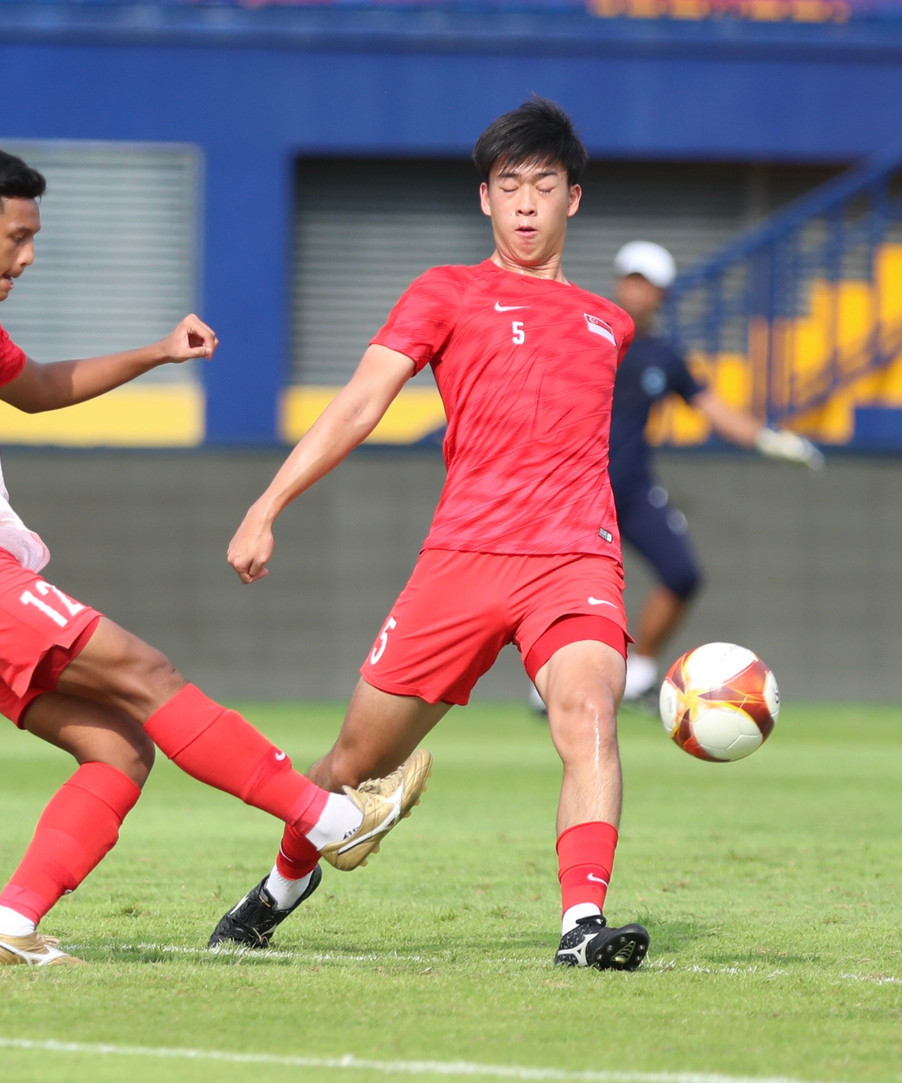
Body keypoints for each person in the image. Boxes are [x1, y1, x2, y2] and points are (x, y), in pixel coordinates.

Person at [0, 145, 430, 968]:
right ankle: (331, 821)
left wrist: (156, 351)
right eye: (18, 236)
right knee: (150, 672)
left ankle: (8, 923)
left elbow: (37, 388)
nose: (29, 256)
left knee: (119, 748)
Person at [210, 97, 649, 971]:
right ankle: (282, 885)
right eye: (509, 185)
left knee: (589, 712)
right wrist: (268, 503)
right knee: (350, 760)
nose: (527, 202)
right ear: (485, 199)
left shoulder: (611, 324)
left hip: (576, 559)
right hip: (462, 562)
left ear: (575, 199)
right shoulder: (446, 290)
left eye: (545, 185)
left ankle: (581, 924)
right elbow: (360, 404)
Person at [608, 240, 823, 701]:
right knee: (569, 590)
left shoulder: (664, 356)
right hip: (575, 490)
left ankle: (640, 674)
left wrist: (768, 438)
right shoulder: (589, 335)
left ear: (662, 294)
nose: (636, 291)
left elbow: (712, 408)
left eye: (646, 284)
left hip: (631, 487)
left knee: (682, 573)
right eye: (630, 279)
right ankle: (554, 686)